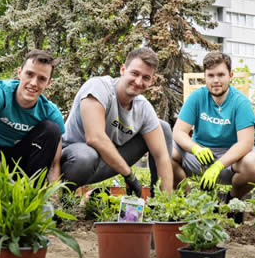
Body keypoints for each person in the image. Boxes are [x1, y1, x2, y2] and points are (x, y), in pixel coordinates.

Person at [60, 47, 173, 196]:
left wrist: (167, 203)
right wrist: (130, 176)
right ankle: (63, 195)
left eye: (146, 77)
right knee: (86, 156)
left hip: (103, 164)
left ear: (151, 81)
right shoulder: (99, 87)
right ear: (122, 70)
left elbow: (162, 157)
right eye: (134, 73)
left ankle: (155, 200)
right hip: (73, 162)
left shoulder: (144, 108)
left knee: (162, 128)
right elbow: (95, 138)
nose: (139, 81)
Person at [171, 51, 255, 200]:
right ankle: (189, 202)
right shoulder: (197, 97)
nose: (216, 80)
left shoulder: (241, 102)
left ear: (230, 76)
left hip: (231, 161)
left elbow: (246, 143)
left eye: (221, 75)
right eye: (211, 75)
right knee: (167, 152)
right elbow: (178, 132)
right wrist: (195, 148)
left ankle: (231, 200)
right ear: (205, 77)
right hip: (200, 157)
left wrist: (218, 165)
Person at [0, 50, 64, 183]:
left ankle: (30, 195)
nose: (33, 83)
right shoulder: (0, 92)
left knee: (51, 129)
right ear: (20, 73)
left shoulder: (50, 112)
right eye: (29, 74)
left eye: (42, 78)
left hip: (15, 164)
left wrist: (53, 198)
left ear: (48, 83)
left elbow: (54, 165)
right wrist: (4, 179)